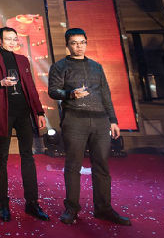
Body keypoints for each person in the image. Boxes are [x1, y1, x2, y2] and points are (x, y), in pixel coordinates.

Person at [48, 28, 131, 226]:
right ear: (67, 45)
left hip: (101, 121)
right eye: (74, 43)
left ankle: (103, 208)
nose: (79, 46)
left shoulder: (96, 66)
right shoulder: (60, 66)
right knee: (73, 165)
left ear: (86, 43)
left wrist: (113, 120)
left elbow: (105, 94)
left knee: (101, 165)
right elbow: (53, 91)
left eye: (82, 42)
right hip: (74, 120)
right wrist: (70, 94)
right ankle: (71, 209)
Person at [0, 26, 49, 223]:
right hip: (3, 114)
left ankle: (32, 203)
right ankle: (3, 204)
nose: (12, 42)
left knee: (28, 156)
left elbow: (31, 87)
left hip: (24, 113)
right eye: (8, 38)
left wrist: (39, 112)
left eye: (14, 39)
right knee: (1, 157)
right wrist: (0, 83)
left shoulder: (23, 60)